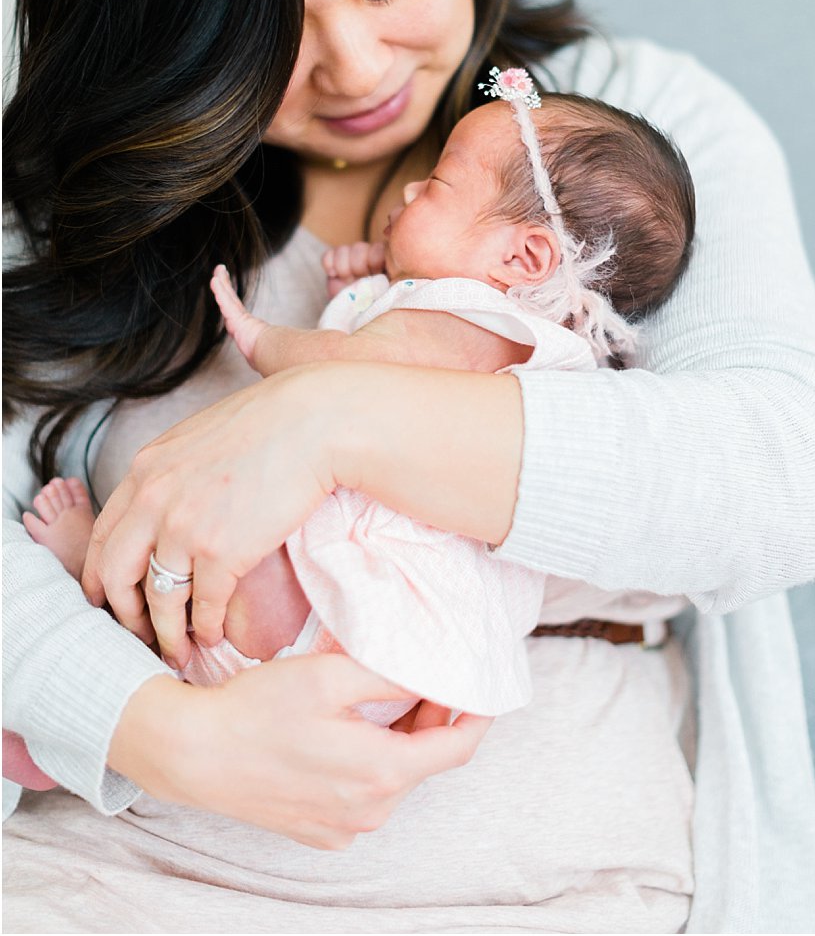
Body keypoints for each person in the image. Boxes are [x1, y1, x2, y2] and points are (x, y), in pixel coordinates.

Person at [2, 0, 815, 933]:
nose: (355, 69)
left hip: (563, 894)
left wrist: (332, 414)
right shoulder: (67, 206)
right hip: (118, 885)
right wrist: (167, 732)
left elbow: (779, 480)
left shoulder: (630, 139)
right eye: (268, 32)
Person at [9, 82, 696, 768]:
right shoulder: (544, 348)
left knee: (203, 531)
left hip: (326, 602)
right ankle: (87, 735)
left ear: (525, 259)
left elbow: (346, 368)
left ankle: (94, 577)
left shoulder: (468, 316)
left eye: (437, 185)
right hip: (387, 655)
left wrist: (260, 338)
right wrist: (375, 282)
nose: (408, 193)